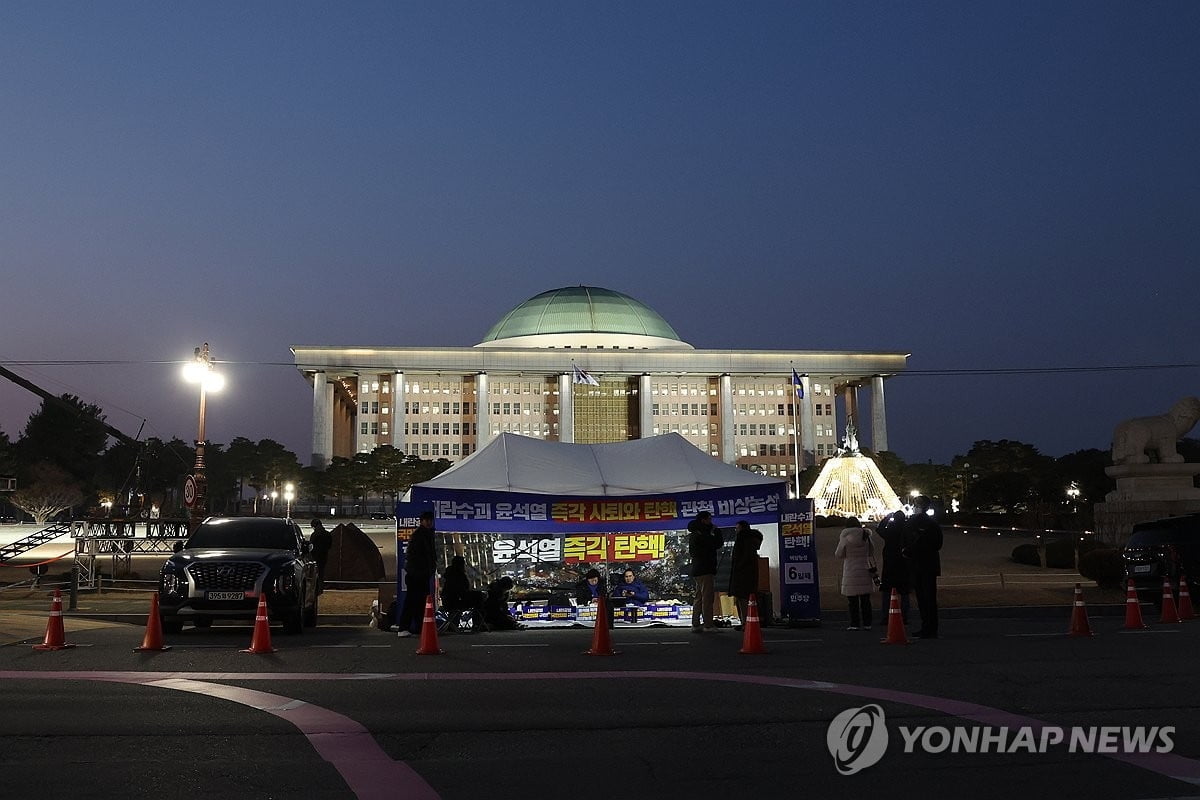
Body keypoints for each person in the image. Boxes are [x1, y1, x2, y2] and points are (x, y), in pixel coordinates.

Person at [904, 495, 943, 639]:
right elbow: (938, 544)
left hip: (917, 563)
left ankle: (926, 626)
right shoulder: (933, 524)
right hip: (930, 564)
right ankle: (931, 627)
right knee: (930, 598)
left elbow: (905, 543)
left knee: (922, 597)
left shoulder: (911, 523)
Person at [396, 511, 437, 638]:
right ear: (421, 521)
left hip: (422, 574)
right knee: (412, 601)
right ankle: (404, 627)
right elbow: (414, 556)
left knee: (420, 603)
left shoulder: (427, 534)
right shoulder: (419, 535)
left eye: (430, 520)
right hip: (416, 575)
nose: (429, 522)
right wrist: (421, 571)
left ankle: (419, 627)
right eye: (426, 520)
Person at [834, 516, 877, 631]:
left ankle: (855, 623)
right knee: (865, 600)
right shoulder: (866, 535)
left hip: (851, 569)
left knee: (852, 601)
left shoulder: (845, 536)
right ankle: (867, 623)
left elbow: (838, 554)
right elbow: (872, 551)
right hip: (864, 568)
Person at [687, 510, 724, 631]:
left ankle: (696, 623)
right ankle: (708, 624)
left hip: (697, 569)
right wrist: (716, 531)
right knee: (707, 598)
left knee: (699, 597)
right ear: (703, 520)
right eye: (709, 519)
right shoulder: (702, 534)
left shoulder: (694, 534)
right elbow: (717, 543)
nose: (711, 522)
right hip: (705, 569)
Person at [876, 510, 913, 625]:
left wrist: (887, 518)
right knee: (904, 593)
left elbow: (879, 529)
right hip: (904, 563)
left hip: (890, 564)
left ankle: (885, 617)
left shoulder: (890, 530)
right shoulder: (907, 530)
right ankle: (904, 617)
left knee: (887, 592)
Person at [728, 520, 764, 629]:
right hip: (750, 571)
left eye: (737, 528)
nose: (736, 530)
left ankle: (745, 622)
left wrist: (738, 565)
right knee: (748, 597)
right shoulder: (754, 539)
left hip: (741, 572)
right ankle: (747, 621)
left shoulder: (742, 538)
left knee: (741, 597)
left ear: (741, 528)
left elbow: (741, 556)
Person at [441, 554, 487, 632]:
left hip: (449, 602)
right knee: (479, 600)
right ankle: (478, 624)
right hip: (455, 602)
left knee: (477, 599)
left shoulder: (449, 575)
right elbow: (462, 592)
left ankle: (454, 625)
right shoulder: (459, 576)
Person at [309, 518, 333, 594]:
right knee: (321, 573)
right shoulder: (327, 534)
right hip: (324, 556)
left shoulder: (314, 534)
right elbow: (329, 545)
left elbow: (311, 546)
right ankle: (320, 589)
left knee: (314, 573)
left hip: (315, 557)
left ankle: (316, 589)